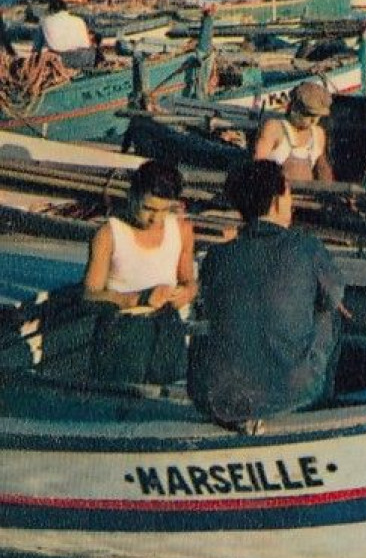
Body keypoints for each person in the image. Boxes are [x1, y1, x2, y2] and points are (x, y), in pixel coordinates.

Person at [189, 160, 345, 426]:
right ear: (277, 200)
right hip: (291, 393)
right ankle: (316, 405)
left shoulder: (216, 256)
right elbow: (333, 297)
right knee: (333, 314)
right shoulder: (306, 247)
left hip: (218, 398)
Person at [79, 160, 196, 384]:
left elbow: (189, 281)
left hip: (166, 329)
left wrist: (186, 293)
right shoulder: (109, 234)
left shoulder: (182, 230)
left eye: (164, 210)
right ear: (132, 196)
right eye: (148, 209)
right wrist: (137, 298)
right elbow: (89, 295)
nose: (155, 219)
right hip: (122, 331)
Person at [252, 80, 335, 182]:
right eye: (309, 115)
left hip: (307, 195)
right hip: (277, 193)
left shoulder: (318, 134)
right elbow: (258, 164)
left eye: (318, 116)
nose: (313, 120)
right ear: (295, 108)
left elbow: (323, 169)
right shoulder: (274, 128)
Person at [38, 0, 97, 69]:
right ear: (66, 9)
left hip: (61, 61)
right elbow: (89, 43)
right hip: (86, 58)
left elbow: (36, 49)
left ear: (51, 9)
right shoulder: (79, 20)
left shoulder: (44, 22)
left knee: (47, 54)